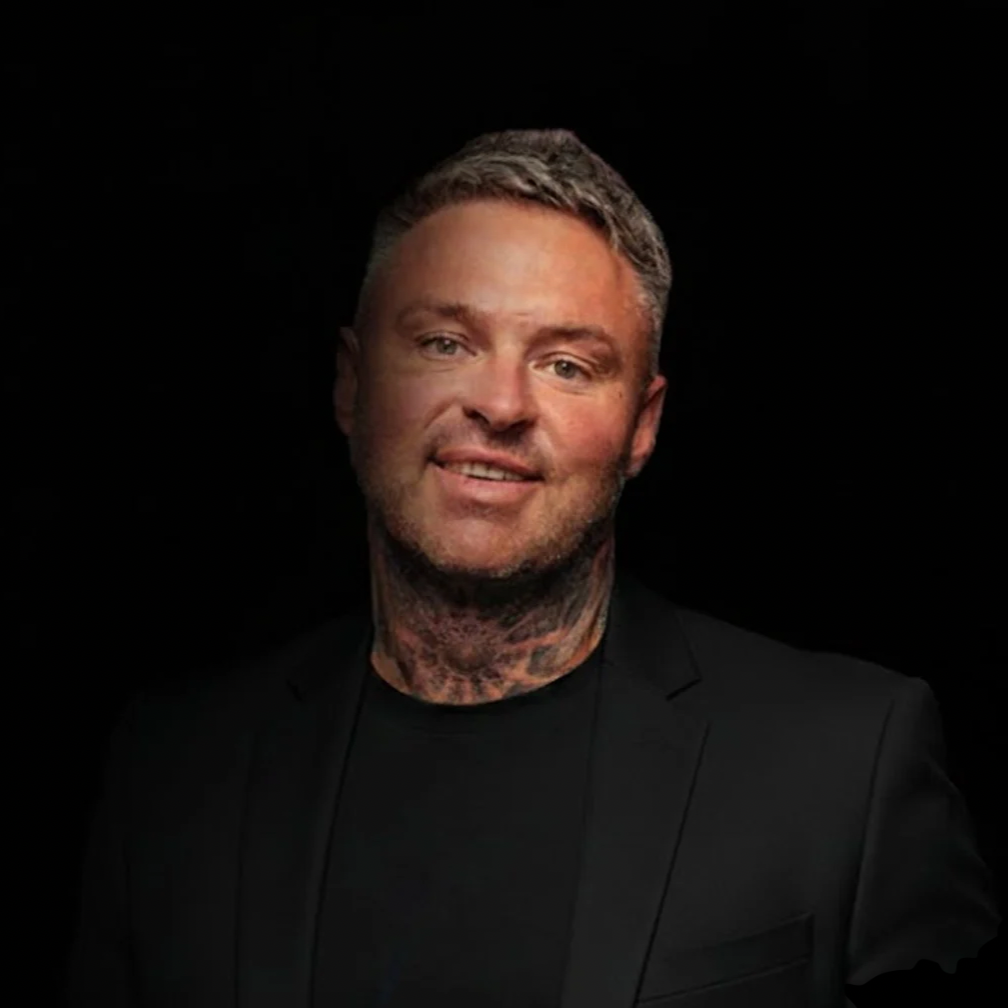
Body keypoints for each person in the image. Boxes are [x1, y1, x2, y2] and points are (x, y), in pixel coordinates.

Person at [67, 130, 999, 1007]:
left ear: (643, 424)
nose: (502, 404)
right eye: (446, 343)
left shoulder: (846, 764)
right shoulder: (174, 771)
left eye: (566, 364)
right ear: (353, 384)